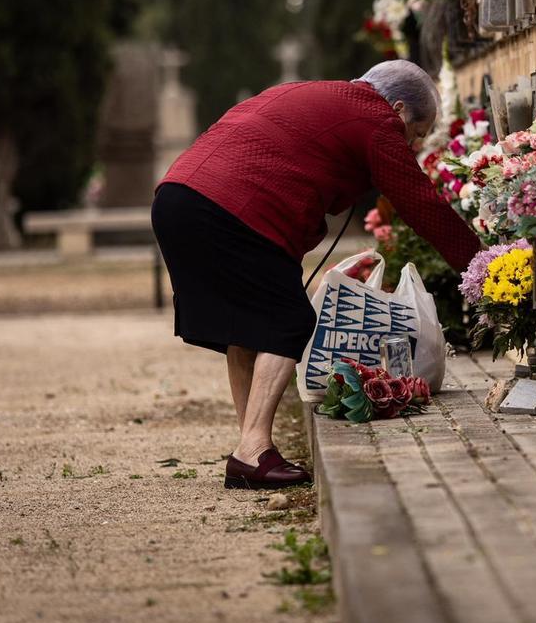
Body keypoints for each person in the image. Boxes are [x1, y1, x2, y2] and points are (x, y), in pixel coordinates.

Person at [151, 60, 481, 489]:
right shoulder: (375, 117)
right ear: (398, 109)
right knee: (288, 319)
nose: (413, 147)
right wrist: (482, 266)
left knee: (245, 328)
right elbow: (421, 205)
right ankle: (252, 450)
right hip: (232, 209)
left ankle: (251, 447)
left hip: (178, 199)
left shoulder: (315, 94)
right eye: (416, 135)